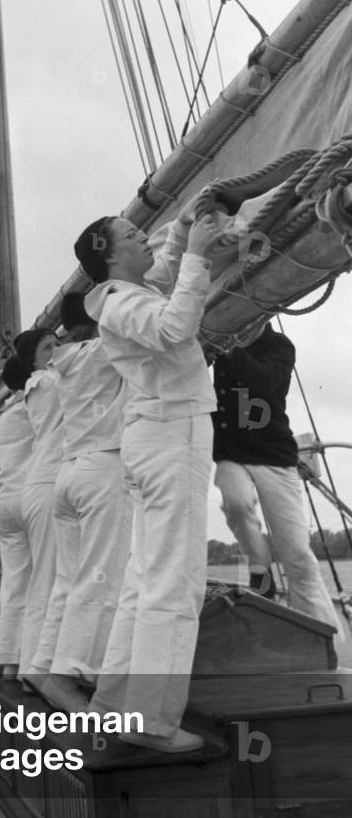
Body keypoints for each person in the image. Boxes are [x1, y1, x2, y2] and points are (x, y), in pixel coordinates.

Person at [76, 210, 220, 753]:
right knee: (173, 581)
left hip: (152, 436)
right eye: (134, 236)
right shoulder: (125, 302)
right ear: (111, 256)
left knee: (142, 582)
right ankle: (151, 722)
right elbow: (172, 327)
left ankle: (112, 707)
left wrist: (184, 236)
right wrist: (201, 255)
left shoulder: (123, 294)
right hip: (170, 436)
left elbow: (159, 280)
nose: (146, 238)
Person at [34, 292, 132, 713]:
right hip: (103, 470)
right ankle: (67, 677)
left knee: (68, 581)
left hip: (69, 475)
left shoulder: (65, 362)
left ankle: (42, 664)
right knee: (102, 577)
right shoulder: (102, 351)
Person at [213, 322, 340, 634]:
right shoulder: (220, 344)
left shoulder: (279, 346)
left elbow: (262, 382)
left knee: (297, 557)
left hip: (274, 457)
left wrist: (228, 349)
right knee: (237, 504)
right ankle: (262, 580)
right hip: (231, 454)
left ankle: (323, 642)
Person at [12, 328, 62, 678]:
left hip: (46, 484)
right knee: (48, 580)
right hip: (48, 486)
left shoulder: (43, 382)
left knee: (52, 578)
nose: (57, 350)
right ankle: (34, 668)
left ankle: (37, 665)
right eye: (47, 347)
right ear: (33, 359)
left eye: (58, 344)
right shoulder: (43, 383)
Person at [0, 355, 37, 679]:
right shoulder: (32, 406)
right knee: (43, 582)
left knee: (14, 583)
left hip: (6, 502)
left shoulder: (2, 417)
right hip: (31, 496)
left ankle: (9, 661)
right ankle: (33, 665)